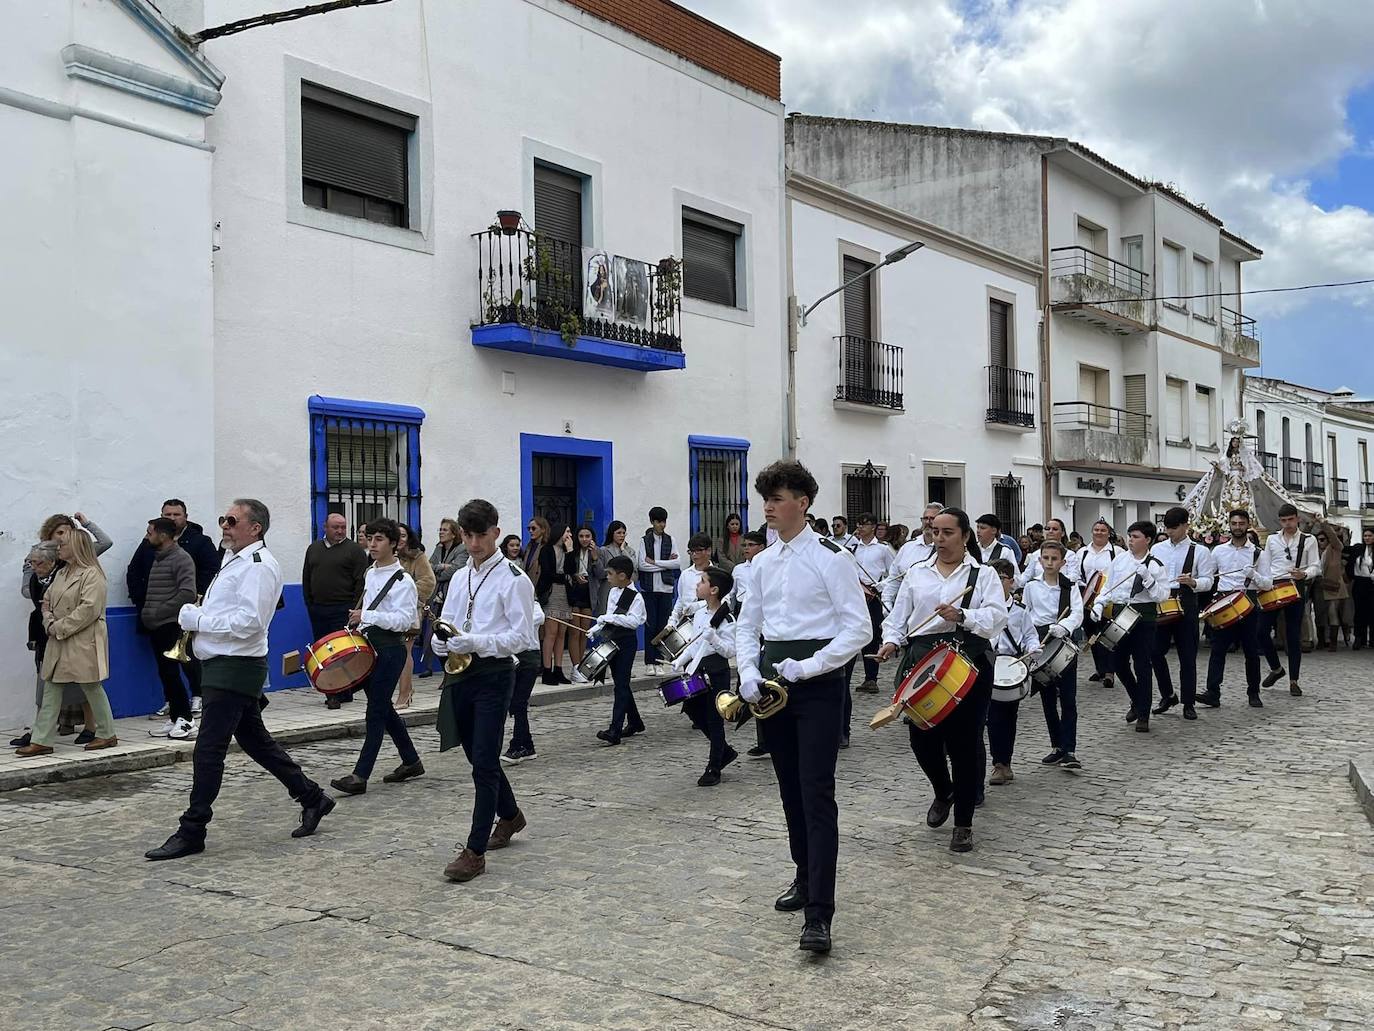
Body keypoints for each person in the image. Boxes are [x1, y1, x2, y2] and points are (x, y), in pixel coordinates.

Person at [145, 499, 334, 858]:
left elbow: (250, 623)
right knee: (255, 741)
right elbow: (228, 611)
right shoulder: (234, 559)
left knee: (209, 749)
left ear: (255, 528)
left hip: (235, 666)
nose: (224, 525)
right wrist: (198, 612)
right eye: (223, 519)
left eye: (232, 520)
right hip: (220, 663)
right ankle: (312, 797)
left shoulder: (260, 566)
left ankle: (192, 829)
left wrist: (197, 621)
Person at [735, 460, 870, 955]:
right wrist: (748, 671)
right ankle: (803, 875)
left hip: (816, 687)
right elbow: (748, 626)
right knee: (789, 789)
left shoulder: (831, 557)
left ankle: (820, 915)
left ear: (803, 504)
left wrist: (809, 666)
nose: (768, 506)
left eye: (778, 497)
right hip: (773, 686)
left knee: (816, 794)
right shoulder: (760, 564)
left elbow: (859, 629)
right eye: (766, 498)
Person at [876, 507, 1006, 854]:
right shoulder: (917, 574)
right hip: (923, 663)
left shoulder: (983, 576)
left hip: (969, 665)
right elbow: (899, 618)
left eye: (948, 533)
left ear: (965, 537)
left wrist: (962, 614)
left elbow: (996, 618)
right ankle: (942, 790)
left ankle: (963, 823)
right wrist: (890, 641)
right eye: (935, 532)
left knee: (964, 746)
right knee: (922, 740)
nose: (940, 539)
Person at [431, 499, 537, 883]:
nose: (475, 544)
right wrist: (440, 641)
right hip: (461, 672)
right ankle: (511, 815)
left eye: (482, 535)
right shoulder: (460, 576)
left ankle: (474, 851)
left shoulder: (514, 578)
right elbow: (450, 619)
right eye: (468, 536)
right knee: (476, 754)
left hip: (494, 674)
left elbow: (523, 637)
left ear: (496, 531)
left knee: (485, 761)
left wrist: (474, 642)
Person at [329, 518, 424, 795]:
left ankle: (360, 775)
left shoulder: (403, 580)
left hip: (391, 650)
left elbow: (406, 620)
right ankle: (411, 760)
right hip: (370, 646)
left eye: (379, 539)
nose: (372, 544)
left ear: (394, 544)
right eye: (370, 538)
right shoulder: (371, 572)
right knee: (382, 707)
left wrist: (366, 615)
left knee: (375, 711)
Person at [16, 530, 119, 756]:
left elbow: (88, 609)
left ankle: (106, 732)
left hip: (83, 639)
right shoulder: (62, 573)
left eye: (63, 544)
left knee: (91, 686)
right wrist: (49, 621)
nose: (58, 548)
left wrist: (58, 627)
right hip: (58, 637)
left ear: (77, 547)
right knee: (51, 685)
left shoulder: (92, 574)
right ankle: (42, 739)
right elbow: (47, 601)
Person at [128, 499, 219, 718]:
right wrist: (145, 605)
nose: (171, 518)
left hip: (183, 615)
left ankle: (194, 700)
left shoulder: (196, 544)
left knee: (186, 661)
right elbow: (135, 572)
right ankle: (176, 710)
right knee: (167, 670)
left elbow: (207, 575)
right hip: (156, 616)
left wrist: (191, 604)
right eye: (167, 514)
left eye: (176, 514)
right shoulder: (152, 547)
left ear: (185, 516)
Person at [1091, 521, 1169, 732]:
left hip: (1143, 617)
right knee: (1117, 663)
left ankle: (1143, 714)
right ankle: (1137, 699)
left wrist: (1148, 580)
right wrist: (1099, 603)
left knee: (1142, 665)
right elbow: (1109, 586)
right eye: (1130, 536)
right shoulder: (1120, 560)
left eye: (1135, 536)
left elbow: (1163, 595)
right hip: (1119, 613)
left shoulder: (1155, 565)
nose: (1131, 540)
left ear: (1148, 540)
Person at [669, 565, 739, 786]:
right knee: (691, 709)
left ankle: (714, 766)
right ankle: (724, 751)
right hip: (698, 669)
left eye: (702, 582)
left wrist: (715, 640)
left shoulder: (727, 619)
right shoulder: (699, 613)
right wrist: (680, 659)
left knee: (714, 718)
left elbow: (730, 651)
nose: (698, 585)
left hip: (717, 671)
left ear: (714, 590)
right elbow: (694, 644)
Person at [1200, 510, 1272, 710]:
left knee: (1251, 651)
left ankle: (1254, 693)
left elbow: (1267, 584)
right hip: (1224, 599)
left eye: (1241, 523)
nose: (1237, 527)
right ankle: (1212, 692)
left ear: (1248, 525)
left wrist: (1254, 575)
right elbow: (1209, 576)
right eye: (1234, 523)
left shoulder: (1259, 553)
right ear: (1229, 525)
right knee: (1217, 650)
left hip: (1248, 600)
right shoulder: (1218, 551)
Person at [1149, 507, 1217, 722]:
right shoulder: (1157, 549)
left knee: (1187, 656)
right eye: (1167, 528)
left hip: (1187, 603)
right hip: (1162, 602)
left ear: (1186, 526)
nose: (1170, 532)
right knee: (1155, 652)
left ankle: (1189, 703)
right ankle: (1168, 695)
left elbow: (1209, 581)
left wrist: (1194, 582)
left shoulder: (1200, 551)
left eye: (1174, 528)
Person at [1022, 540, 1084, 768]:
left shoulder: (1070, 586)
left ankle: (1070, 749)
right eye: (1046, 558)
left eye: (1054, 558)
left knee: (1068, 698)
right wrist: (1029, 642)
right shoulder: (1031, 587)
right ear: (1040, 560)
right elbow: (1025, 614)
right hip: (1038, 640)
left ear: (1062, 562)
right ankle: (1057, 746)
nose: (1049, 562)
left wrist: (1065, 627)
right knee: (1047, 699)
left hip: (1062, 641)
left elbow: (1077, 613)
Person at [140, 518, 200, 740]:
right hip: (157, 626)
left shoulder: (181, 558)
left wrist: (158, 612)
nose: (147, 536)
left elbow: (187, 593)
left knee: (172, 674)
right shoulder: (159, 558)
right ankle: (175, 717)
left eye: (150, 532)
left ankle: (186, 720)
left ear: (163, 536)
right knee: (165, 674)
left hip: (170, 625)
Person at [301, 513, 368, 709]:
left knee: (340, 654)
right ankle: (336, 689)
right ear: (325, 527)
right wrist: (310, 604)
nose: (339, 531)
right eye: (335, 527)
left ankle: (336, 694)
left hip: (343, 610)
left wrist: (354, 610)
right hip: (319, 609)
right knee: (323, 654)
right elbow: (307, 577)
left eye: (343, 527)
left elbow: (360, 583)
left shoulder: (354, 550)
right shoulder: (313, 549)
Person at [985, 558, 1041, 786]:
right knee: (987, 718)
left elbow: (1030, 635)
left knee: (1005, 718)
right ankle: (991, 763)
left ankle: (1002, 763)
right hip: (986, 665)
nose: (996, 584)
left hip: (1010, 669)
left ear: (1011, 582)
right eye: (992, 580)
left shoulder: (1020, 612)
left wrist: (1033, 648)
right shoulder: (981, 609)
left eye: (1000, 579)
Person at [1257, 504, 1320, 695]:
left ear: (1297, 519)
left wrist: (1305, 574)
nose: (1287, 524)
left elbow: (1316, 566)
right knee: (1260, 631)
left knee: (1293, 635)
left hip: (1295, 585)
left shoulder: (1309, 540)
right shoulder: (1272, 539)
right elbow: (1265, 564)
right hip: (1274, 585)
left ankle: (1294, 681)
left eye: (1290, 520)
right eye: (1283, 521)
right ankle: (1276, 669)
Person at [591, 555, 647, 744]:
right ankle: (635, 721)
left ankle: (615, 730)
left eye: (610, 574)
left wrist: (609, 619)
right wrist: (596, 628)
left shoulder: (636, 597)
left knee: (621, 685)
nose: (607, 577)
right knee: (620, 683)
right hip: (612, 639)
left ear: (622, 575)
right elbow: (608, 615)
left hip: (627, 642)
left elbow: (634, 622)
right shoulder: (613, 592)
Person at [11, 542, 61, 748]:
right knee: (45, 683)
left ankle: (97, 729)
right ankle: (40, 733)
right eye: (31, 563)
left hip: (60, 630)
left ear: (51, 562)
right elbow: (30, 595)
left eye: (38, 563)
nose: (34, 567)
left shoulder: (63, 575)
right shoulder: (34, 578)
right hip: (42, 633)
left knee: (87, 688)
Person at [727, 529, 769, 759]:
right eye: (744, 545)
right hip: (746, 614)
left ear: (761, 547)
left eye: (751, 545)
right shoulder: (739, 569)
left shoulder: (769, 565)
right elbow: (731, 594)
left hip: (767, 621)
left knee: (766, 680)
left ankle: (767, 738)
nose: (746, 549)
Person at [848, 513, 893, 698]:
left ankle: (871, 677)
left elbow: (894, 572)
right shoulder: (852, 548)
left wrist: (882, 584)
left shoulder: (883, 549)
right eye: (858, 524)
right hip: (855, 594)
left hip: (873, 595)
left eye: (864, 524)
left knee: (873, 636)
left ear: (873, 527)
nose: (860, 527)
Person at [396, 523, 436, 708]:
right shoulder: (386, 557)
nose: (399, 539)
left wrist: (405, 594)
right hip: (388, 613)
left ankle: (404, 693)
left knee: (404, 652)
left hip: (410, 611)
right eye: (396, 536)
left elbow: (428, 581)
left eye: (403, 535)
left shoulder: (417, 557)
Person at [637, 507, 680, 676]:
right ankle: (649, 661)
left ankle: (659, 660)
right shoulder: (644, 541)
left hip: (666, 589)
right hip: (649, 589)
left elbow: (676, 563)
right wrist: (664, 564)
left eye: (663, 521)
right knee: (650, 625)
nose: (661, 525)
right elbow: (641, 565)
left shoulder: (671, 540)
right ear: (652, 522)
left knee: (663, 625)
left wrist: (654, 562)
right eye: (658, 521)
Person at [423, 517, 468, 678]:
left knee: (449, 631)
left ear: (454, 533)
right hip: (436, 597)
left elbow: (456, 571)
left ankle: (451, 669)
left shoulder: (462, 549)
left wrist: (440, 570)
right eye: (440, 530)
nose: (441, 532)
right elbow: (429, 567)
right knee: (433, 632)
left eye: (445, 530)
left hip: (449, 595)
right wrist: (442, 566)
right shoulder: (438, 548)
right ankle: (430, 666)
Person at [503, 599, 544, 765]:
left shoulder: (534, 606)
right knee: (514, 703)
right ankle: (527, 745)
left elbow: (537, 618)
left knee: (519, 702)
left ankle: (517, 745)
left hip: (529, 657)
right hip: (512, 656)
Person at [1079, 520, 1120, 690]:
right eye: (1096, 529)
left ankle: (1110, 672)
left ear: (1109, 533)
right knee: (1091, 636)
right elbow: (1077, 574)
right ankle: (1100, 669)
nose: (1099, 533)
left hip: (1108, 600)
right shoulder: (1082, 552)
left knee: (1107, 635)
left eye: (1103, 530)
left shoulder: (1117, 552)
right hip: (1087, 601)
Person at [883, 504, 942, 612]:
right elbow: (894, 578)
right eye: (925, 518)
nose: (928, 522)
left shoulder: (946, 548)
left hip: (933, 611)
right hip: (904, 610)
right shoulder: (908, 547)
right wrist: (887, 601)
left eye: (933, 518)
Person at [564, 526, 602, 683]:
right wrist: (575, 575)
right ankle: (575, 666)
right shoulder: (573, 551)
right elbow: (566, 568)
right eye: (581, 536)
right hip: (574, 591)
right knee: (574, 631)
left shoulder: (597, 551)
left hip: (589, 592)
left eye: (588, 536)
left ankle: (581, 667)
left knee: (584, 631)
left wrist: (594, 558)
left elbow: (601, 573)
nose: (584, 539)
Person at [1314, 519, 1350, 653]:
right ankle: (1322, 640)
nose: (1321, 541)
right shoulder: (1314, 550)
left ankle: (1333, 643)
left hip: (1334, 584)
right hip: (1319, 584)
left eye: (1323, 539)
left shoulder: (1335, 548)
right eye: (1319, 539)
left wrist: (1323, 524)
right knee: (1319, 613)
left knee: (1333, 611)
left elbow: (1333, 536)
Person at [1016, 518, 1082, 587]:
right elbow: (1026, 576)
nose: (1050, 531)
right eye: (1047, 529)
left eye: (1055, 529)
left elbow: (1074, 576)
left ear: (1062, 533)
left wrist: (1053, 582)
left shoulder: (1070, 555)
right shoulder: (1036, 554)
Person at [668, 533, 715, 629]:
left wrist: (698, 606)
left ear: (709, 551)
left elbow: (723, 601)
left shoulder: (716, 575)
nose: (694, 555)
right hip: (687, 625)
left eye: (698, 551)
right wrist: (672, 621)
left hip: (708, 623)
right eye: (691, 551)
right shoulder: (685, 574)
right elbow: (680, 600)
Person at [595, 520, 635, 615]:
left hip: (626, 591)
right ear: (612, 534)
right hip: (608, 589)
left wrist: (623, 550)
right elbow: (600, 573)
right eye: (618, 533)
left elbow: (633, 568)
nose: (622, 535)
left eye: (623, 533)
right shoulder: (604, 550)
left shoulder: (630, 551)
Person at [1350, 527, 1374, 650]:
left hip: (1372, 583)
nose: (1367, 538)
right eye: (1365, 536)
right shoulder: (1358, 548)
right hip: (1360, 582)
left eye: (1370, 536)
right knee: (1360, 611)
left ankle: (1372, 639)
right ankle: (1360, 638)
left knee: (1372, 611)